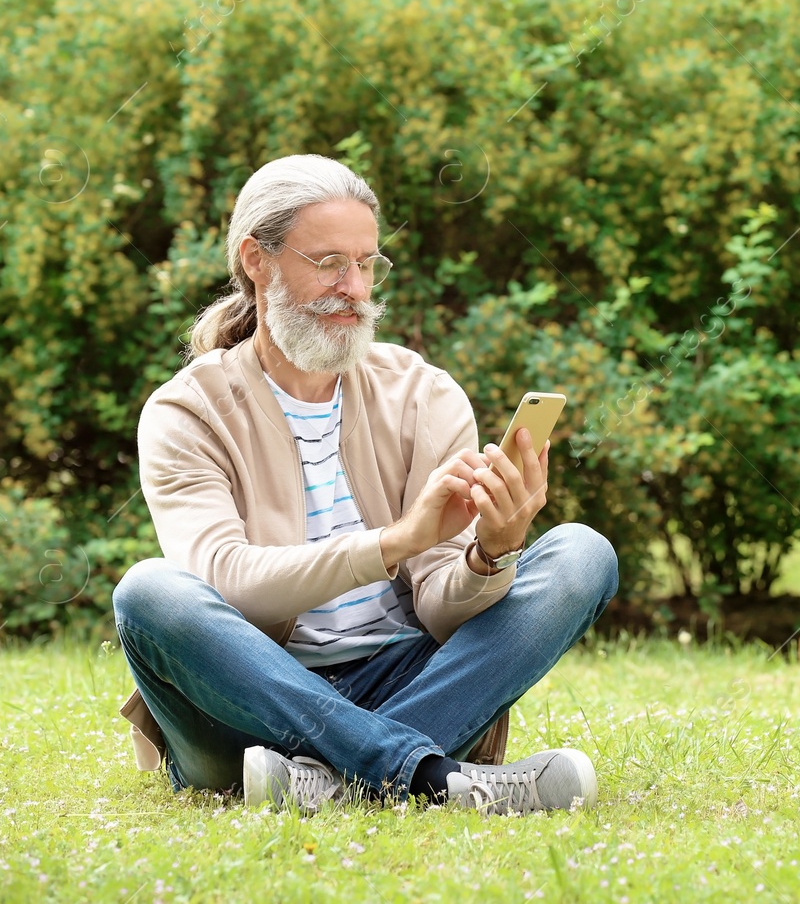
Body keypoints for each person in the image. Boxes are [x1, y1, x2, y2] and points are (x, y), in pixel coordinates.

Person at [111, 153, 618, 814]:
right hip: (248, 697)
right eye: (328, 262)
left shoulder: (422, 394)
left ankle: (329, 778)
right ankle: (430, 775)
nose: (354, 285)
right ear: (256, 260)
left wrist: (490, 553)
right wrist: (393, 541)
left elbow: (442, 606)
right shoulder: (188, 410)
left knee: (583, 552)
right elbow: (226, 579)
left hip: (407, 674)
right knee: (149, 591)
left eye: (366, 263)